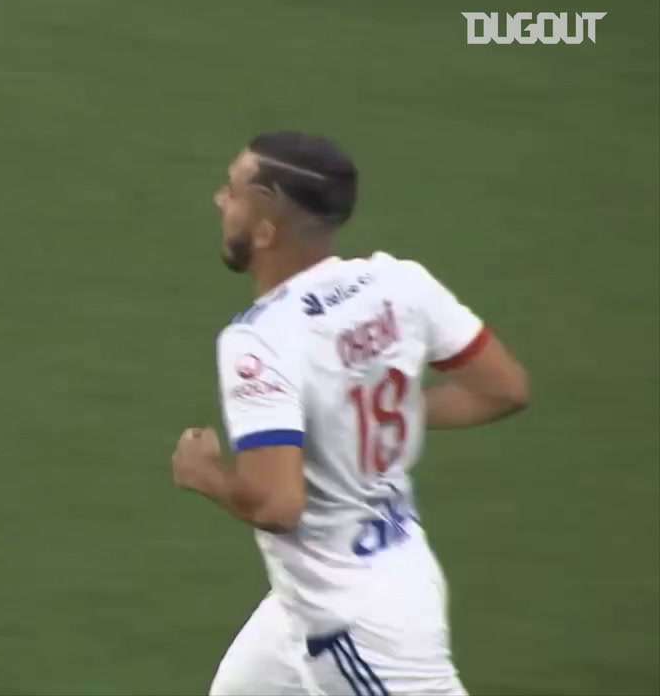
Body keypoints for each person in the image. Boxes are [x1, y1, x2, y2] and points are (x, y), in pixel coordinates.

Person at [170, 132, 529, 696]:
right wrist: (370, 414)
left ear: (265, 230)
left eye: (233, 192)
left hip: (352, 624)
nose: (220, 200)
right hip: (377, 574)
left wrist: (206, 474)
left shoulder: (261, 340)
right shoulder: (400, 284)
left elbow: (278, 505)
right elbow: (504, 389)